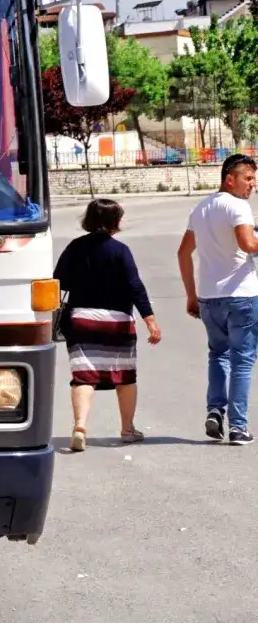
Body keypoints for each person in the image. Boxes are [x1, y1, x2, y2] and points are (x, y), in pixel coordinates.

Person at [54, 198, 160, 451]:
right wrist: (150, 320)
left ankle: (80, 427)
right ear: (115, 222)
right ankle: (127, 429)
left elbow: (58, 282)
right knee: (124, 377)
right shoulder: (120, 251)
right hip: (117, 322)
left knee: (83, 377)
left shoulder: (75, 247)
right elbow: (135, 286)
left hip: (82, 320)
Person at [177, 153, 258, 445]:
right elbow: (248, 243)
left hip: (209, 298)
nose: (252, 185)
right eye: (247, 178)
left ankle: (215, 411)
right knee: (243, 361)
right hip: (241, 297)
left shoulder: (201, 208)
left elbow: (183, 252)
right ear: (230, 179)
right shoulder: (238, 206)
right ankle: (238, 426)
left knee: (218, 355)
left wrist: (190, 295)